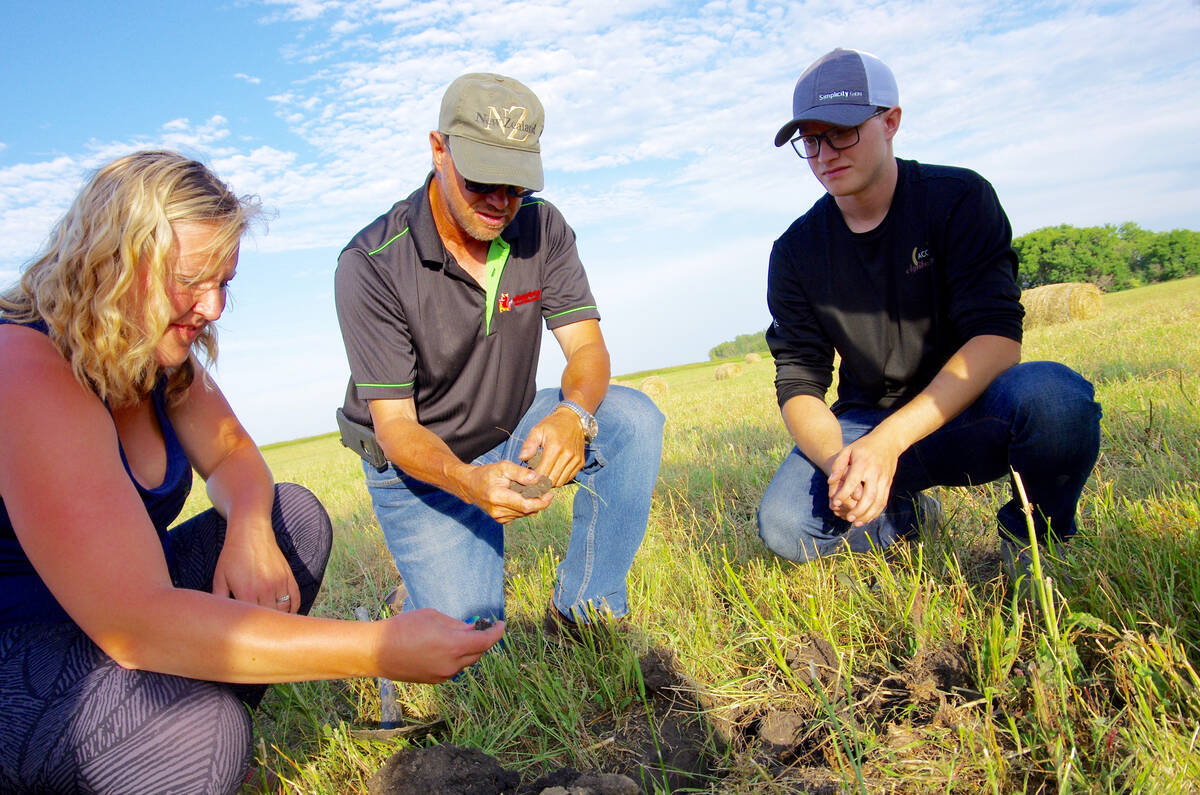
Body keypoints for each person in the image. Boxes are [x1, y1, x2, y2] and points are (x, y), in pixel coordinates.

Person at [0, 151, 502, 794]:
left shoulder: (155, 353)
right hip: (25, 649)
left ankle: (156, 721)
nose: (211, 306)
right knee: (202, 736)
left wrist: (249, 525)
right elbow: (133, 624)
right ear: (111, 263)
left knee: (293, 519)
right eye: (191, 280)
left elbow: (236, 456)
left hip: (103, 629)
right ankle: (168, 734)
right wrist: (375, 650)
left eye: (225, 282)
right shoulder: (28, 366)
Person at [334, 73, 664, 630]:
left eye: (516, 186)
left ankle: (586, 611)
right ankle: (415, 599)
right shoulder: (370, 263)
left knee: (633, 419)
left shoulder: (543, 227)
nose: (499, 202)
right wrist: (467, 482)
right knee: (476, 650)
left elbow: (586, 346)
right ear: (439, 150)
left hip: (510, 428)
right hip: (421, 465)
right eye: (483, 179)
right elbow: (395, 428)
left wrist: (573, 415)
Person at [757, 49, 1102, 572]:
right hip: (866, 419)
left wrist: (889, 444)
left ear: (891, 121)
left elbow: (998, 338)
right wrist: (839, 464)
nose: (825, 153)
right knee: (785, 529)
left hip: (973, 408)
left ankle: (1032, 538)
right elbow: (799, 383)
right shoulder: (795, 251)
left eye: (842, 131)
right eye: (811, 139)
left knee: (1057, 401)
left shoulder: (958, 199)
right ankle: (906, 517)